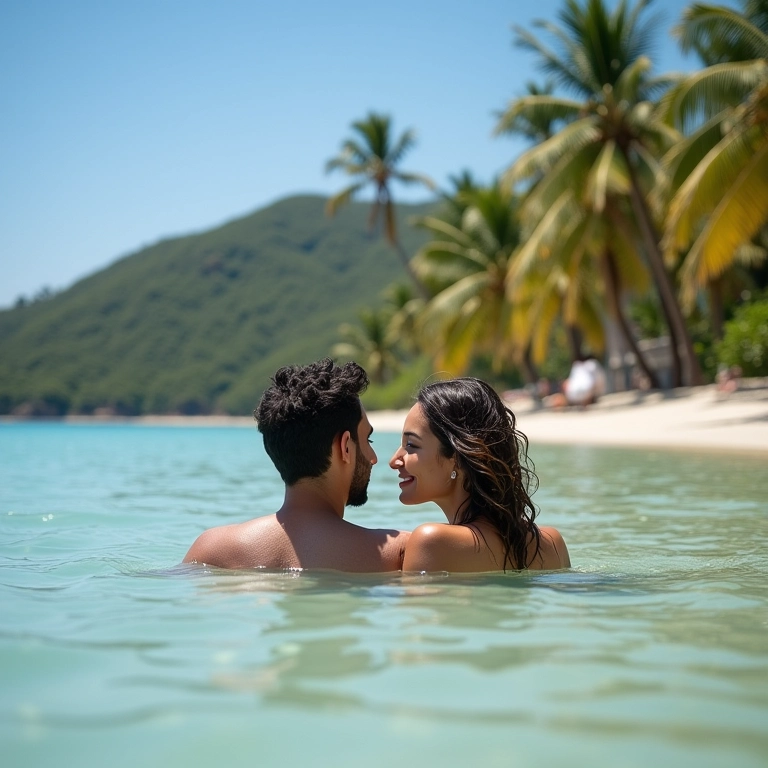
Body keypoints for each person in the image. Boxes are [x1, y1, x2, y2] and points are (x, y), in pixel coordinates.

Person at [184, 358, 409, 571]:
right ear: (345, 448)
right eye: (367, 440)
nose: (374, 457)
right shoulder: (399, 553)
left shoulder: (211, 550)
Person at [390, 377, 570, 573]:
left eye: (411, 445)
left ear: (457, 459)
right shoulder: (552, 543)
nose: (394, 461)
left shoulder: (431, 542)